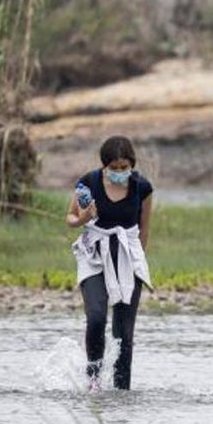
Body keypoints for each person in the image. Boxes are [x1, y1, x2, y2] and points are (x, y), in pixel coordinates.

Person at [66, 135, 154, 391]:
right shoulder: (88, 183)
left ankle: (121, 392)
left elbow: (143, 231)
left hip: (128, 255)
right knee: (95, 317)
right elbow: (70, 217)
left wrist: (138, 266)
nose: (119, 173)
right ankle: (93, 381)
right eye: (113, 168)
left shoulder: (142, 188)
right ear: (104, 166)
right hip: (94, 254)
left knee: (123, 334)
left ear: (131, 165)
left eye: (124, 168)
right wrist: (83, 218)